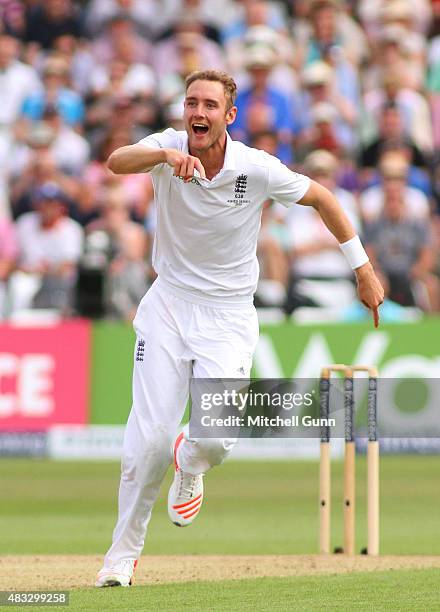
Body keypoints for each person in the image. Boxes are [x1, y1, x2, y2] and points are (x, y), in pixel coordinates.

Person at [95, 69, 384, 588]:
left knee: (216, 440)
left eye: (209, 105)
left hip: (228, 315)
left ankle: (192, 461)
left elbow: (323, 198)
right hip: (167, 306)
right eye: (190, 103)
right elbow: (116, 162)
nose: (197, 113)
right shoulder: (166, 146)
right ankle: (121, 556)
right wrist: (164, 156)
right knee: (148, 440)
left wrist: (361, 268)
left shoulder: (257, 167)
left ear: (229, 116)